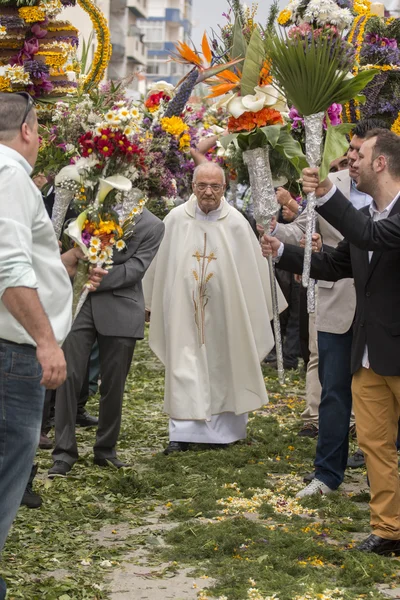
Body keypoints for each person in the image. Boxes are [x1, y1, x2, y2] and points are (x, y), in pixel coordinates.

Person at [261, 128, 400, 556]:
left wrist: (323, 193)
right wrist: (280, 253)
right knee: (374, 444)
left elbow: (371, 238)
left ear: (381, 163)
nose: (351, 161)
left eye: (360, 155)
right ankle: (390, 530)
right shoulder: (370, 218)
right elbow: (337, 264)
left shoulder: (385, 221)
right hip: (369, 354)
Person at [0, 92, 105, 599]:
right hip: (11, 353)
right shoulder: (10, 174)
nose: (40, 139)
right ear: (26, 130)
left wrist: (71, 259)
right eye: (39, 129)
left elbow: (26, 261)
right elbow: (9, 270)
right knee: (5, 483)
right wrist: (46, 341)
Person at [143, 161, 286, 454]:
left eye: (215, 186)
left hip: (227, 317)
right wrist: (148, 304)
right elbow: (159, 267)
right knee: (184, 365)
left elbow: (251, 272)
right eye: (202, 186)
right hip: (183, 313)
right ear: (192, 187)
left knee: (227, 363)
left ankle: (225, 433)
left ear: (224, 188)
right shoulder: (174, 220)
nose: (208, 192)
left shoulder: (235, 223)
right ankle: (181, 431)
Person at [48, 190, 165, 478]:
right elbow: (74, 244)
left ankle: (105, 449)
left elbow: (137, 268)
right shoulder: (94, 209)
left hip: (121, 307)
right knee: (68, 376)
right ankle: (63, 453)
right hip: (80, 304)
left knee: (113, 384)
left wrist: (99, 278)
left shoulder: (153, 225)